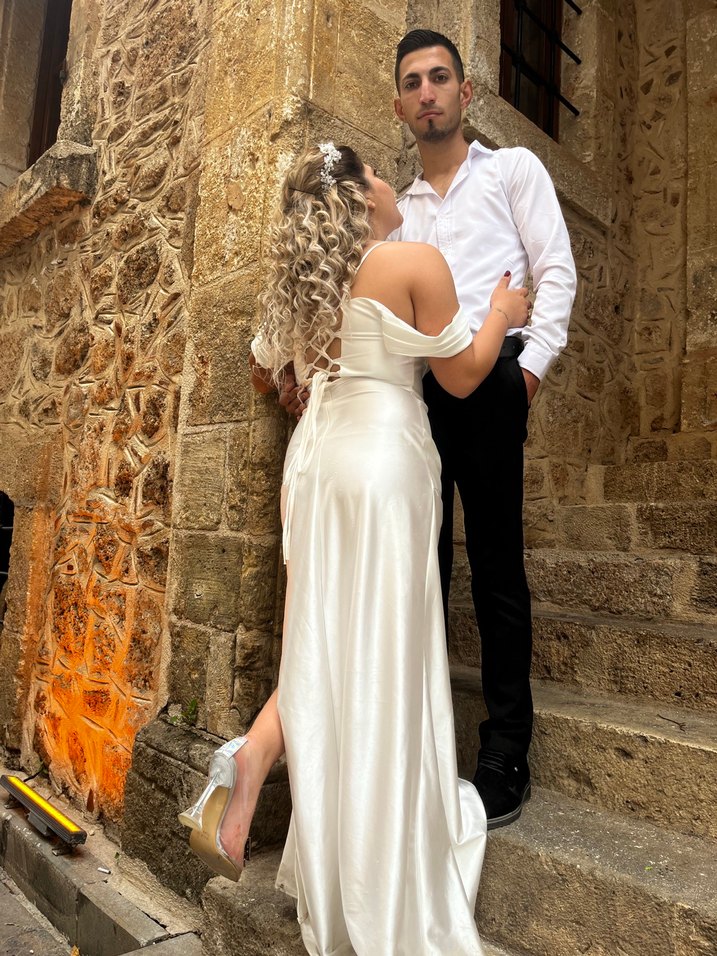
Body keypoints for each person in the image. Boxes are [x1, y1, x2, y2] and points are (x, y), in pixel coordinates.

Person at [180, 142, 529, 954]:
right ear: (362, 195)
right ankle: (377, 864)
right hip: (381, 462)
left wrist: (304, 382)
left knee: (322, 638)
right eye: (377, 173)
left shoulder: (302, 283)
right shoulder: (411, 262)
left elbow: (263, 371)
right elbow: (463, 377)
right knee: (377, 650)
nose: (389, 183)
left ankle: (255, 754)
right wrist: (501, 315)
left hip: (316, 467)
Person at [391, 29, 577, 829]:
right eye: (412, 83)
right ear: (399, 106)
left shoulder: (511, 171)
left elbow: (555, 267)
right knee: (420, 572)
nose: (427, 92)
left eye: (439, 77)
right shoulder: (398, 213)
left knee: (497, 570)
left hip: (496, 380)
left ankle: (505, 751)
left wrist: (527, 372)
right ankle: (422, 745)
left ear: (465, 93)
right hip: (419, 398)